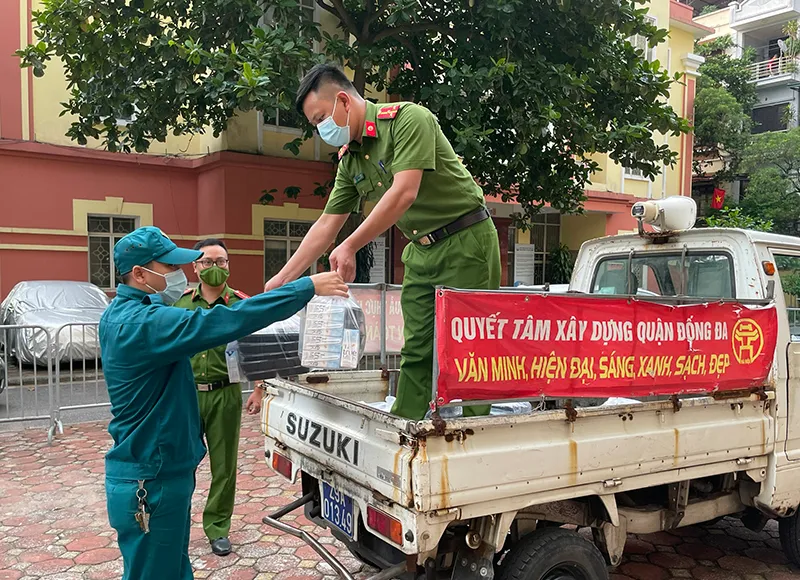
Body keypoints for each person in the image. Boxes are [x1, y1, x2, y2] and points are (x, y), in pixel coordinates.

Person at [100, 226, 347, 580]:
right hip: (151, 479)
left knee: (169, 568)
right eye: (169, 267)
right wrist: (305, 287)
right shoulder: (142, 324)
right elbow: (224, 320)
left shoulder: (124, 312)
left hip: (154, 469)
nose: (178, 275)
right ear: (140, 273)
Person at [264, 63, 501, 421]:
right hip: (421, 250)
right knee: (416, 349)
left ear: (343, 101)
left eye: (320, 119)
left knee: (469, 345)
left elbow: (404, 192)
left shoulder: (408, 120)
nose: (320, 130)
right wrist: (281, 279)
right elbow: (327, 223)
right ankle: (407, 426)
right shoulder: (351, 159)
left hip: (466, 238)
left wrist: (350, 246)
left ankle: (473, 430)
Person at [173, 238, 261, 557]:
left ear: (228, 265)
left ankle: (217, 527)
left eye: (221, 261)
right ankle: (176, 524)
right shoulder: (179, 305)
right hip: (185, 395)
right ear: (195, 267)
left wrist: (259, 388)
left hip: (226, 394)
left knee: (224, 466)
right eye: (207, 262)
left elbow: (254, 348)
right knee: (181, 463)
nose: (214, 267)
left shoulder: (239, 303)